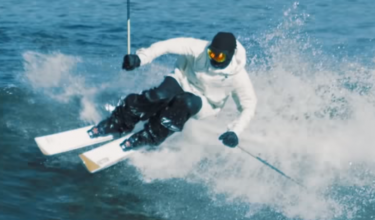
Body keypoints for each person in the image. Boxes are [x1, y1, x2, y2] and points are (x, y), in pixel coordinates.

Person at [88, 31, 257, 152]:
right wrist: (140, 58)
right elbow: (167, 46)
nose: (214, 59)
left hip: (205, 101)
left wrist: (235, 131)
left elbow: (249, 106)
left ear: (230, 55)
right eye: (212, 53)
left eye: (219, 57)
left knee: (185, 102)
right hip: (183, 80)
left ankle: (150, 135)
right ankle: (119, 122)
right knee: (158, 96)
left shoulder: (238, 77)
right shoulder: (199, 48)